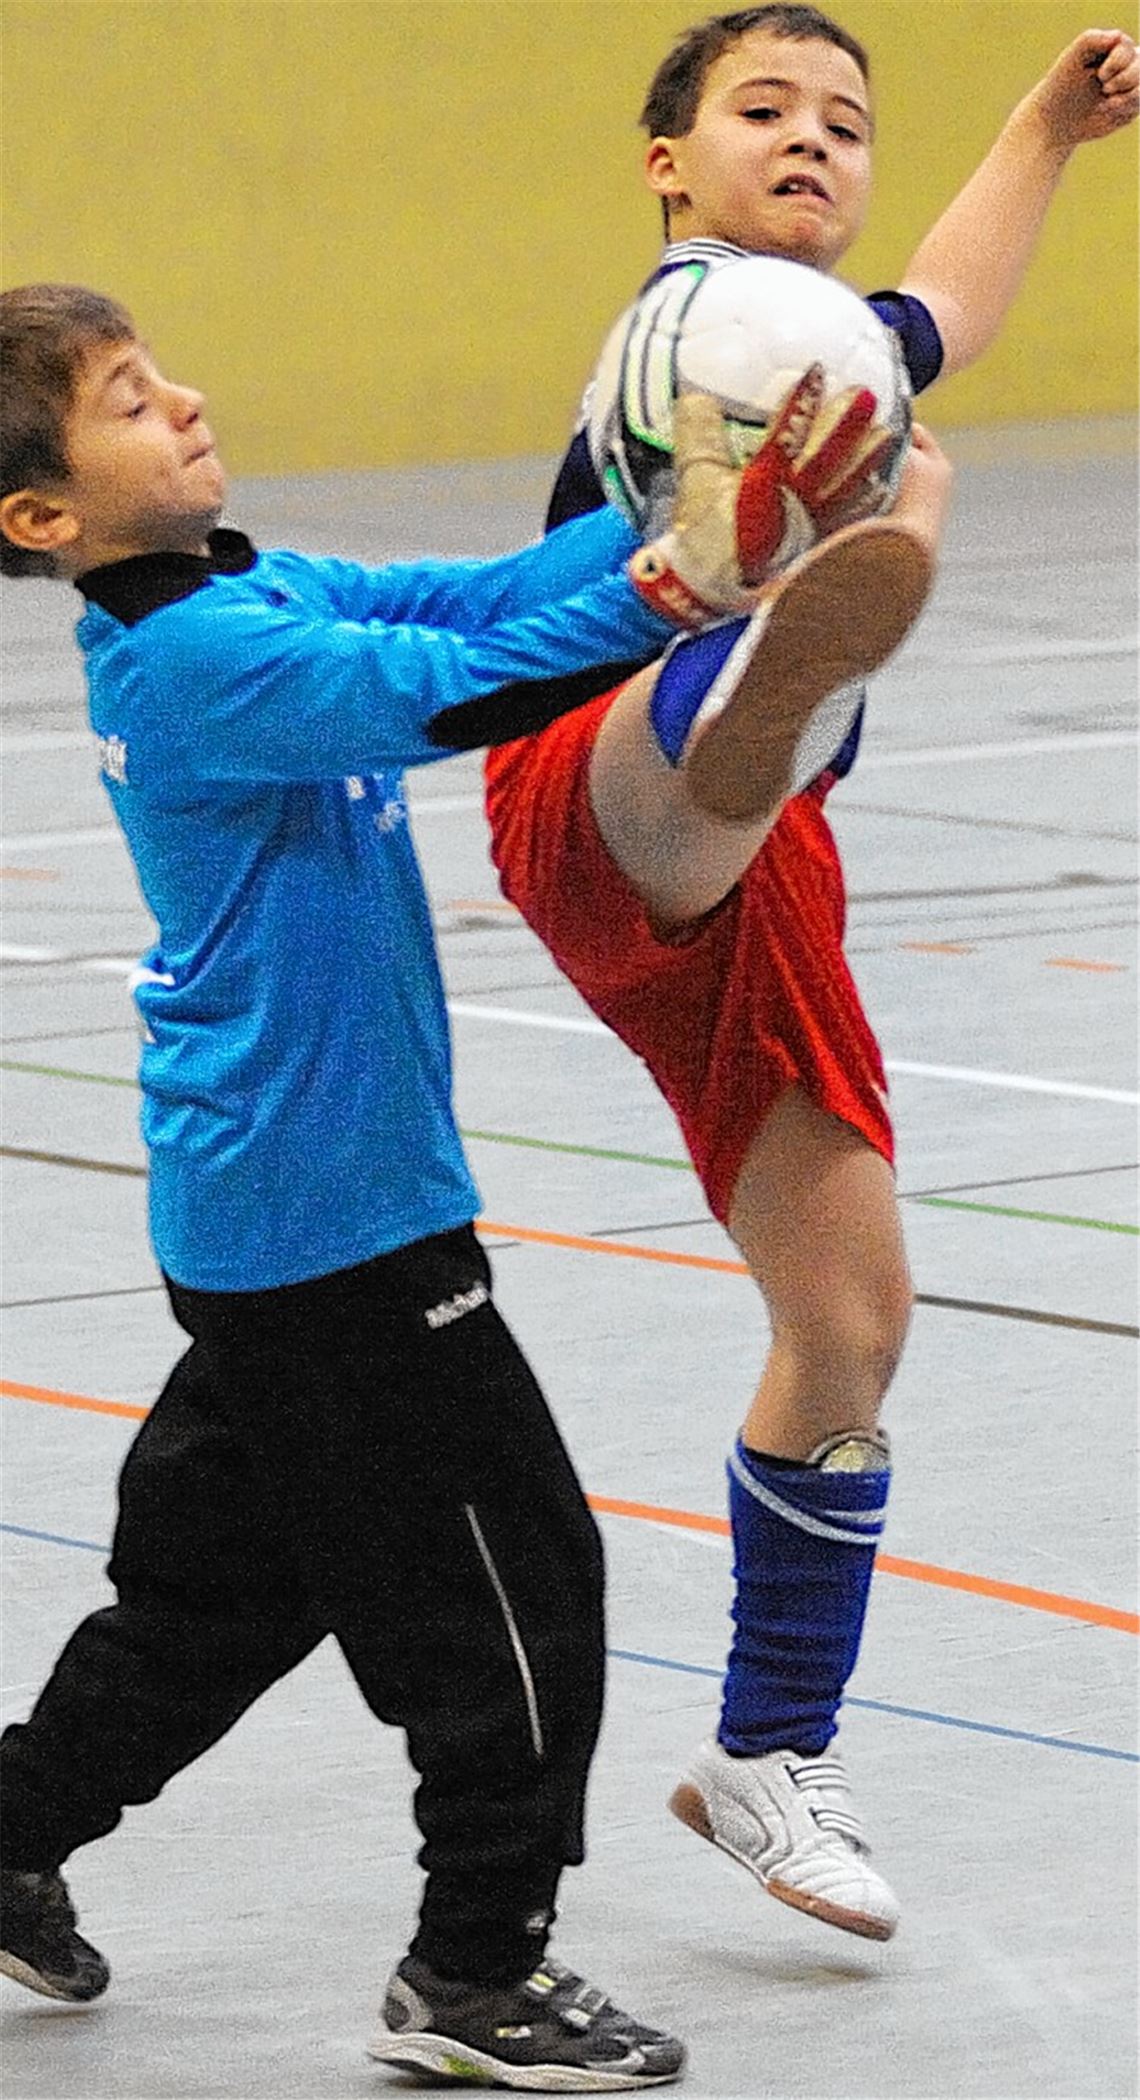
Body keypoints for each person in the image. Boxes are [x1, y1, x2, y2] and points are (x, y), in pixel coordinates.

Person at [0, 280, 949, 2086]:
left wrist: (664, 514)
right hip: (339, 1232)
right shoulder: (203, 663)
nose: (183, 399)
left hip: (265, 1217)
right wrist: (691, 582)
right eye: (129, 402)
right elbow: (452, 689)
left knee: (223, 1600)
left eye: (162, 367)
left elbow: (466, 601)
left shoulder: (234, 592)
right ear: (41, 518)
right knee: (524, 1595)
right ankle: (476, 1969)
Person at [484, 7, 1139, 1944]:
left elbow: (943, 304)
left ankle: (768, 1755)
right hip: (594, 776)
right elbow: (843, 351)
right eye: (763, 109)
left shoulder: (843, 348)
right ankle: (776, 681)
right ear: (666, 163)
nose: (815, 142)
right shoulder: (701, 325)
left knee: (851, 1320)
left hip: (764, 869)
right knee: (713, 735)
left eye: (847, 122)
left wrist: (1051, 122)